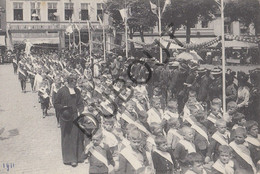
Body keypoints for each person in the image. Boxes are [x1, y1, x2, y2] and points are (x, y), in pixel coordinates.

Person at [54, 74, 85, 167]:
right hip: (65, 117)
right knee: (67, 136)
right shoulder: (61, 91)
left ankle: (78, 157)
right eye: (72, 82)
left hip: (75, 116)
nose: (74, 83)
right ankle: (69, 159)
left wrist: (80, 111)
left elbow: (80, 103)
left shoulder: (77, 91)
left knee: (76, 135)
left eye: (75, 82)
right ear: (68, 82)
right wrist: (63, 108)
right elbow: (56, 103)